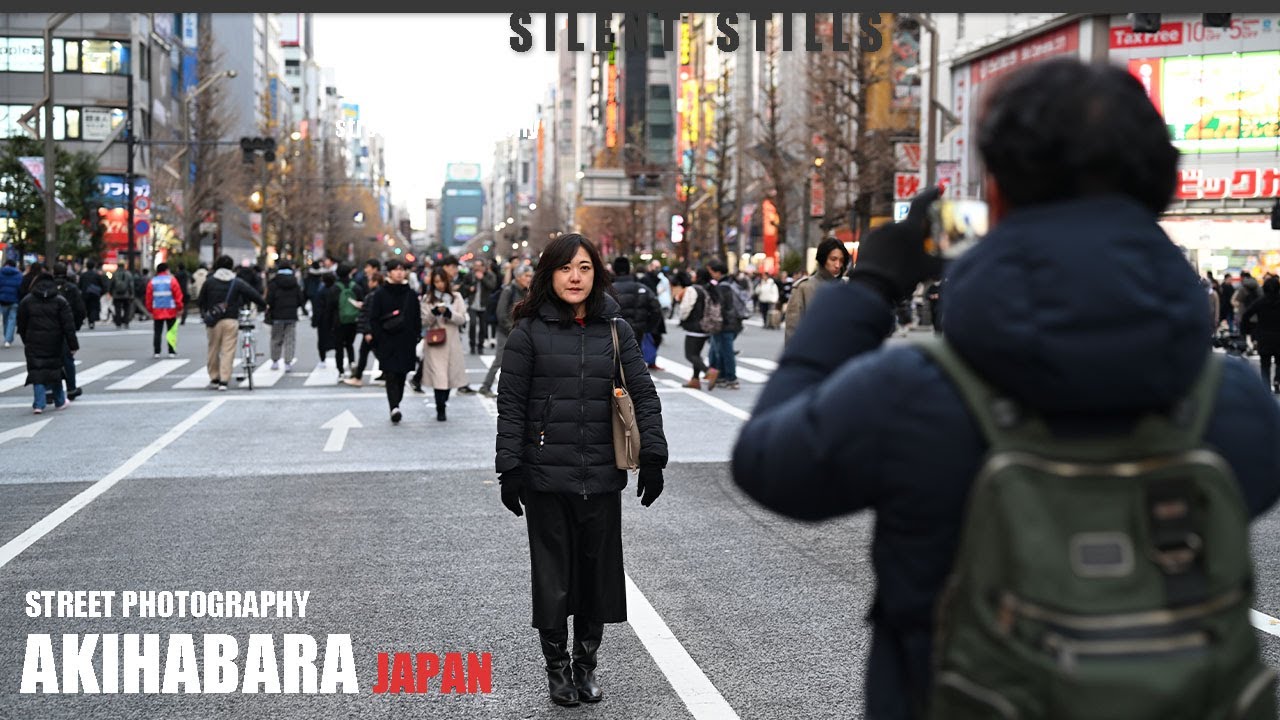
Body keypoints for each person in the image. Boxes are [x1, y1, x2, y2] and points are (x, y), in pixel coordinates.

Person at [731, 58, 1280, 718]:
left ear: (994, 191)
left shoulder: (916, 393)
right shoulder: (1236, 406)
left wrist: (872, 288)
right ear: (1162, 189)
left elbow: (770, 463)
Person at [495, 233, 667, 708]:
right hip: (545, 475)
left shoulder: (615, 328)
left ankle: (586, 666)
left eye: (586, 268)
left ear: (598, 274)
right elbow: (510, 405)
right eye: (567, 268)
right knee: (553, 577)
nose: (576, 277)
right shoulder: (528, 332)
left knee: (597, 575)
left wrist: (652, 455)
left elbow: (643, 393)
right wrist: (509, 467)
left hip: (601, 475)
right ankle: (556, 669)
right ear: (549, 274)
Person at [197, 255, 265, 391]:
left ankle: (214, 377)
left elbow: (201, 300)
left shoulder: (209, 282)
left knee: (213, 349)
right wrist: (264, 305)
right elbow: (253, 294)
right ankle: (224, 380)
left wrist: (205, 313)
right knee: (228, 350)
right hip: (231, 319)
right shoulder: (236, 282)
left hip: (213, 321)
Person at [366, 259, 422, 423]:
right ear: (389, 272)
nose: (399, 272)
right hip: (387, 340)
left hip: (406, 340)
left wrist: (415, 335)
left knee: (402, 374)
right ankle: (394, 407)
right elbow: (374, 318)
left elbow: (416, 317)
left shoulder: (410, 294)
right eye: (396, 270)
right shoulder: (380, 294)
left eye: (402, 269)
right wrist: (379, 336)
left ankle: (396, 403)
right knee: (390, 374)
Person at [17, 270, 77, 413]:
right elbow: (68, 325)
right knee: (55, 370)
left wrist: (26, 339)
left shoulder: (27, 300)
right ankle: (60, 401)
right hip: (55, 341)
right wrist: (72, 345)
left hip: (33, 340)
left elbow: (21, 324)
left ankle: (39, 404)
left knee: (37, 371)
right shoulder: (60, 300)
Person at [419, 267, 468, 421]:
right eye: (436, 282)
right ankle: (440, 408)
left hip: (452, 340)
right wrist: (434, 313)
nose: (439, 285)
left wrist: (448, 313)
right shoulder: (428, 298)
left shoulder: (456, 297)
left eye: (442, 281)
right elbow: (424, 321)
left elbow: (462, 319)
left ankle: (444, 401)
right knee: (438, 376)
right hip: (435, 342)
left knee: (449, 376)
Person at [478, 263, 533, 398]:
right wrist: (513, 329)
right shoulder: (509, 290)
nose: (530, 279)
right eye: (527, 276)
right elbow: (501, 314)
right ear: (519, 277)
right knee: (499, 360)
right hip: (506, 331)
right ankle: (485, 386)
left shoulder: (528, 291)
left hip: (523, 332)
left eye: (531, 276)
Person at [783, 237, 849, 345]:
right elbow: (793, 330)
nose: (837, 265)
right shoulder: (804, 287)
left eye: (841, 260)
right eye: (833, 259)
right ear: (823, 259)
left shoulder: (848, 286)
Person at [609, 256, 663, 369]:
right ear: (629, 269)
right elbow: (656, 309)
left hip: (611, 334)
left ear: (614, 270)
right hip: (637, 332)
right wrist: (648, 327)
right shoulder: (642, 288)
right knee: (635, 369)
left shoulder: (607, 290)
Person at [671, 269, 713, 389]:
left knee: (690, 355)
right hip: (706, 326)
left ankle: (709, 372)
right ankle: (695, 380)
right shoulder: (707, 289)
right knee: (697, 354)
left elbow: (686, 308)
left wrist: (682, 318)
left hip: (694, 326)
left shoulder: (692, 289)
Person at [52, 263, 86, 401]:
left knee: (49, 360)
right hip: (66, 328)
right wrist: (75, 326)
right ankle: (71, 388)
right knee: (68, 359)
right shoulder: (71, 288)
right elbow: (80, 310)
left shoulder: (48, 287)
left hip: (48, 328)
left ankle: (49, 390)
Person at [265, 259, 306, 372]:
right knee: (290, 339)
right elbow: (300, 298)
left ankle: (275, 361)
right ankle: (288, 362)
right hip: (291, 314)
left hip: (277, 314)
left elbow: (269, 299)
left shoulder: (273, 282)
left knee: (276, 338)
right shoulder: (294, 282)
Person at [1241, 275, 1280, 394]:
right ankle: (1277, 380)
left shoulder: (1260, 302)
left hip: (1264, 337)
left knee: (1265, 365)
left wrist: (1246, 331)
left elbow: (1246, 315)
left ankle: (1266, 388)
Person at [344, 270, 382, 387]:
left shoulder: (373, 295)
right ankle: (387, 374)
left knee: (364, 352)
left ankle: (358, 377)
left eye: (370, 280)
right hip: (376, 329)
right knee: (377, 353)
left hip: (371, 330)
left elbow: (371, 314)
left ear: (375, 282)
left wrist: (368, 331)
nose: (368, 283)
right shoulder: (378, 294)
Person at [327, 264, 364, 380]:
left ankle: (341, 371)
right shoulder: (356, 287)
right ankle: (352, 362)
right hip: (353, 320)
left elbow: (330, 307)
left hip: (338, 321)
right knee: (349, 344)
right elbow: (362, 303)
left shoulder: (334, 288)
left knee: (339, 347)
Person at [145, 262, 184, 358]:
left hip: (157, 310)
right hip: (170, 310)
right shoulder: (172, 280)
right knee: (171, 331)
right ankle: (171, 351)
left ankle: (157, 352)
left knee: (157, 332)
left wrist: (150, 309)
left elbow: (149, 297)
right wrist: (180, 307)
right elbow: (177, 295)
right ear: (166, 270)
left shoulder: (152, 282)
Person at [462, 259, 499, 355]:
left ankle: (480, 346)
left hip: (484, 305)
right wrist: (469, 288)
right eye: (476, 265)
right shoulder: (470, 275)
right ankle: (472, 345)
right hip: (473, 304)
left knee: (483, 327)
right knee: (473, 324)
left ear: (483, 267)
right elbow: (463, 286)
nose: (477, 268)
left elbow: (492, 286)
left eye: (479, 266)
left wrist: (482, 278)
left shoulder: (490, 275)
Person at [312, 273, 337, 369]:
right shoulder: (337, 291)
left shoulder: (320, 292)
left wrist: (315, 321)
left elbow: (317, 308)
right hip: (335, 319)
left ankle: (322, 360)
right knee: (338, 341)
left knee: (322, 341)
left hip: (323, 320)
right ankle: (340, 359)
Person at [77, 260, 105, 330]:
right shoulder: (97, 275)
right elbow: (102, 285)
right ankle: (92, 321)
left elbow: (79, 285)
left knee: (87, 308)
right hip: (95, 294)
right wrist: (101, 293)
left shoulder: (83, 275)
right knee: (93, 308)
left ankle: (88, 320)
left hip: (85, 294)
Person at [0, 258, 23, 347]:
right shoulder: (19, 275)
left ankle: (7, 337)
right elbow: (20, 288)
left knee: (5, 319)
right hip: (14, 300)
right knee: (12, 320)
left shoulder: (1, 273)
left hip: (3, 299)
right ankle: (8, 340)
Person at [109, 263, 134, 329]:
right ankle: (126, 322)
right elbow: (131, 285)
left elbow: (111, 284)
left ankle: (118, 323)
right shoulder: (128, 274)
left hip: (116, 295)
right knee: (126, 309)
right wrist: (132, 294)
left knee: (117, 309)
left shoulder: (114, 274)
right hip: (126, 294)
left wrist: (110, 292)